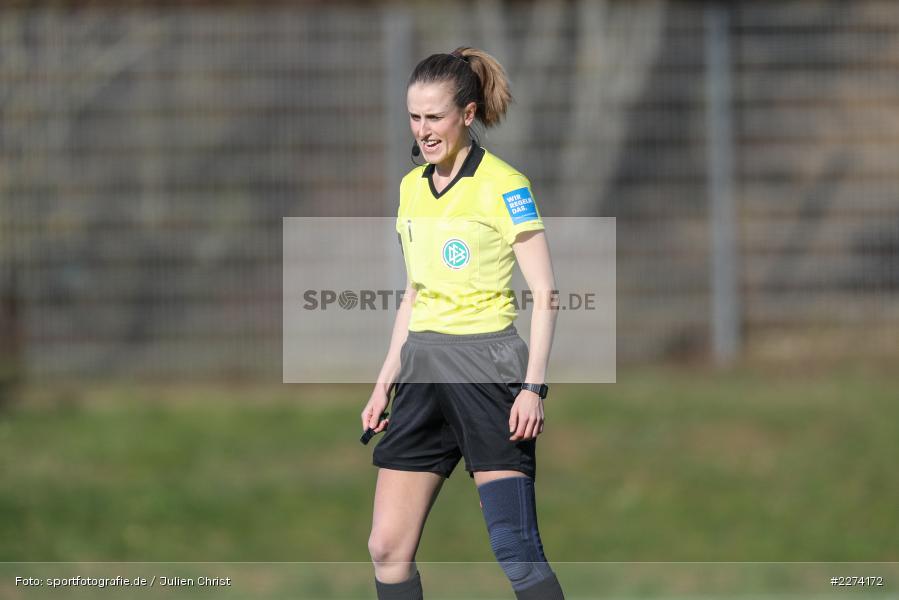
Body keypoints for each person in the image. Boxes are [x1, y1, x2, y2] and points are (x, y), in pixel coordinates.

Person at [361, 46, 564, 600]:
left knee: (514, 549)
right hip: (423, 370)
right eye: (414, 116)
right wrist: (385, 381)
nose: (423, 130)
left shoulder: (505, 184)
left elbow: (546, 292)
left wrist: (532, 388)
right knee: (387, 547)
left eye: (435, 117)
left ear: (467, 115)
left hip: (487, 370)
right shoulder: (410, 188)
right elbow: (415, 292)